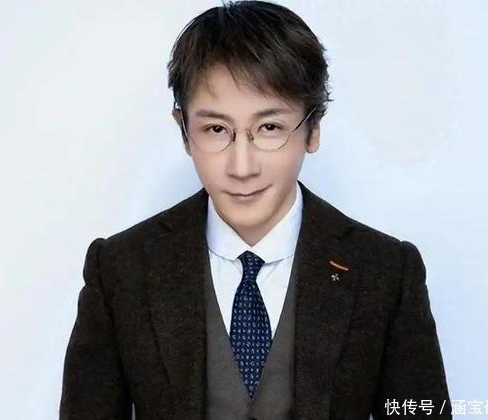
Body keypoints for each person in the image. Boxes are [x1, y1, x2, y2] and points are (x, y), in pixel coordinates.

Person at [59, 1, 451, 419]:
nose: (242, 167)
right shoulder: (120, 269)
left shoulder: (385, 271)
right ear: (184, 131)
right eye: (215, 129)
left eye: (269, 128)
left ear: (313, 128)